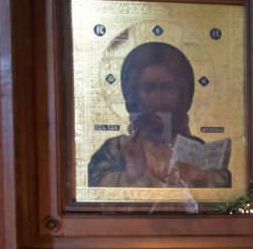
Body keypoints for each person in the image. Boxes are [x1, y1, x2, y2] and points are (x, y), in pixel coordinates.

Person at [88, 41, 231, 189]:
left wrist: (201, 177)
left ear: (183, 93)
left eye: (169, 88)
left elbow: (226, 192)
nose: (159, 100)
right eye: (148, 88)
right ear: (134, 94)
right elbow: (94, 188)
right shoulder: (117, 149)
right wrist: (132, 175)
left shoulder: (197, 149)